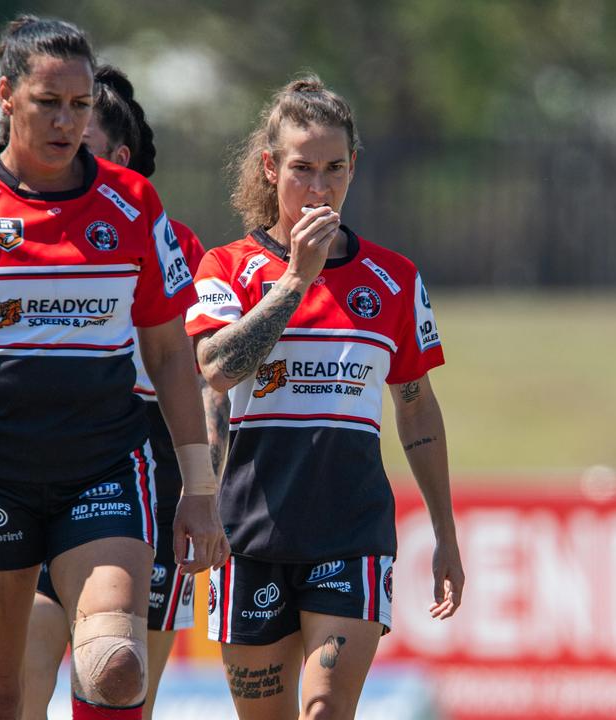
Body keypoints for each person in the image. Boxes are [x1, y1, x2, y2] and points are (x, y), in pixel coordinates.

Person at [0, 16, 227, 720]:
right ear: (6, 96)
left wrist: (199, 487)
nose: (67, 121)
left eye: (79, 105)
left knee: (116, 664)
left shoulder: (133, 204)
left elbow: (169, 354)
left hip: (102, 463)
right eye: (49, 103)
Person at [185, 75, 464, 719]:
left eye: (335, 168)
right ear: (269, 167)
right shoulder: (226, 269)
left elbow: (417, 408)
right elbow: (217, 367)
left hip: (352, 531)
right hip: (249, 533)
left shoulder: (393, 279)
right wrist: (294, 283)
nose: (319, 187)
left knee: (324, 711)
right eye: (302, 169)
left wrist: (445, 533)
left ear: (353, 166)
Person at [18, 64, 215, 720]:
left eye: (85, 138)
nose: (65, 146)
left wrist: (199, 491)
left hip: (139, 488)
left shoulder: (171, 243)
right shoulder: (20, 227)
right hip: (27, 477)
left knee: (116, 686)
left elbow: (194, 367)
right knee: (10, 690)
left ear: (120, 159)